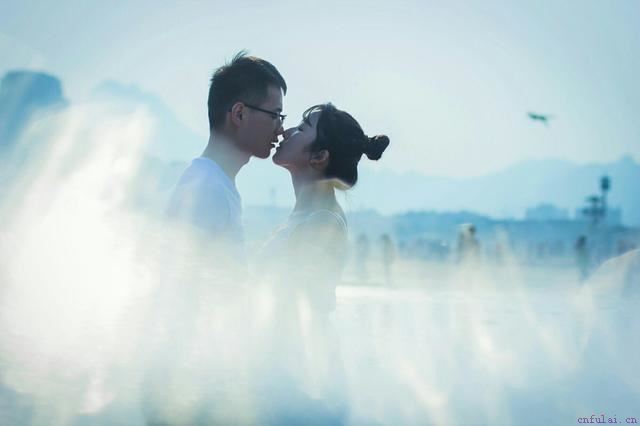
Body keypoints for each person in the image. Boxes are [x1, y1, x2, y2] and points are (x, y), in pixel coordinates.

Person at [256, 103, 390, 424]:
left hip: (304, 387)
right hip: (296, 379)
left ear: (319, 157)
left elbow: (295, 305)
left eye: (302, 128)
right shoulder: (310, 216)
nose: (286, 131)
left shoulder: (322, 222)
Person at [166, 51, 287, 263]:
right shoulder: (208, 189)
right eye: (275, 115)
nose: (280, 129)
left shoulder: (212, 182)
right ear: (239, 114)